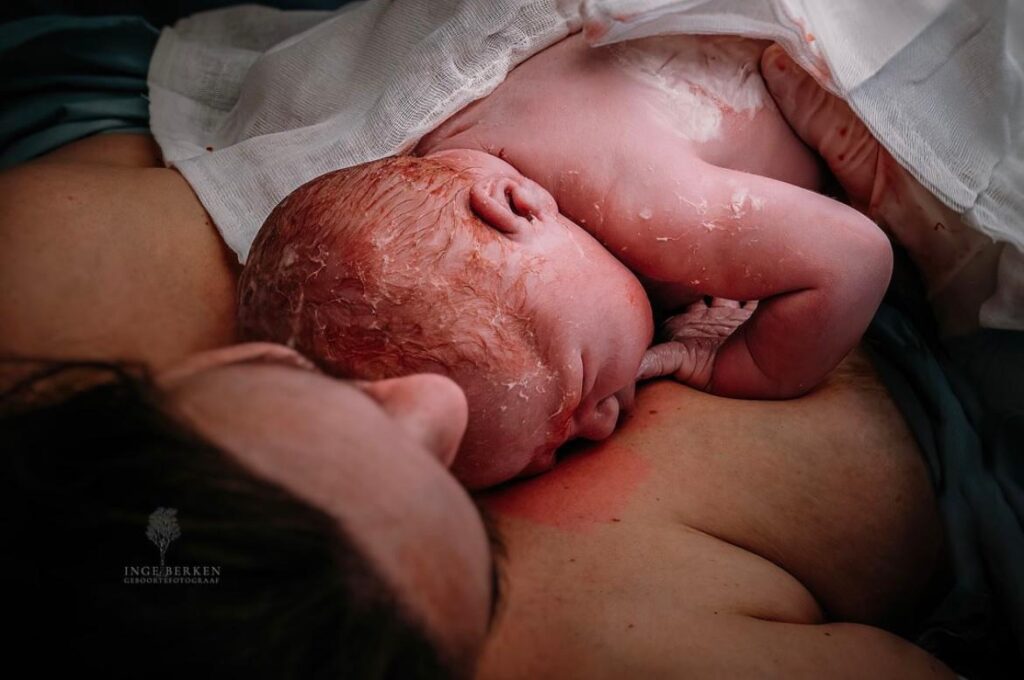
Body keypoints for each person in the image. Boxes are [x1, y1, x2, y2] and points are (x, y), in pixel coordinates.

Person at [238, 33, 893, 488]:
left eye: (580, 386)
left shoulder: (652, 207)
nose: (604, 422)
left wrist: (734, 361)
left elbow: (855, 259)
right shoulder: (470, 170)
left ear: (518, 210)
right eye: (567, 446)